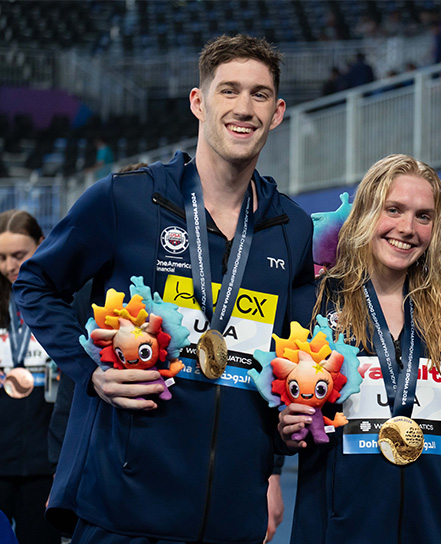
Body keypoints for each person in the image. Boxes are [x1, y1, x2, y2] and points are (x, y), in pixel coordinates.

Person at [14, 34, 315, 543]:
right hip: (124, 513)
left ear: (278, 112)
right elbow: (35, 282)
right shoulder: (127, 200)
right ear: (198, 102)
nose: (244, 108)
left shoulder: (292, 228)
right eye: (229, 90)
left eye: (260, 94)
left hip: (230, 519)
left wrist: (276, 457)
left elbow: (290, 355)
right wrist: (90, 372)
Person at [278, 154, 441, 543]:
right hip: (337, 529)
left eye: (423, 216)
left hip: (433, 530)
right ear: (365, 212)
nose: (407, 228)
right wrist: (281, 432)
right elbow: (275, 416)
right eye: (393, 209)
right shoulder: (311, 306)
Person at [0, 210, 61, 544]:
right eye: (2, 257)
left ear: (41, 244)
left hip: (44, 461)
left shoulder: (61, 298)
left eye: (19, 255)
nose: (10, 266)